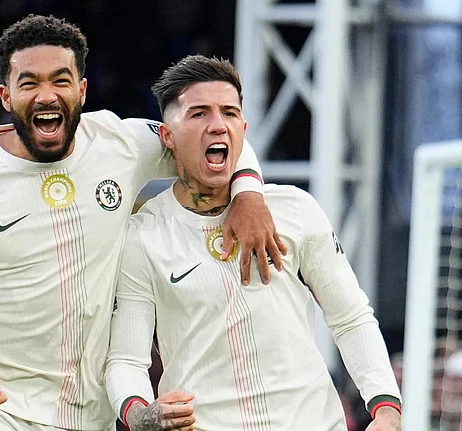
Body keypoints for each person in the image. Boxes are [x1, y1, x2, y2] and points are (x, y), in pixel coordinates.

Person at [0, 14, 287, 431]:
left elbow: (214, 135)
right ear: (6, 95)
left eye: (60, 81)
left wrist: (248, 192)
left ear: (82, 89)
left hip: (92, 420)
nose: (46, 96)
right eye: (29, 83)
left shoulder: (121, 144)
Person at [104, 55, 402, 431]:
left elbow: (351, 317)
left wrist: (386, 408)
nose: (217, 125)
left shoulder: (295, 209)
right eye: (198, 114)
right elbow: (126, 360)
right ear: (167, 137)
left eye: (229, 113)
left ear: (243, 130)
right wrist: (139, 414)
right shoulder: (143, 235)